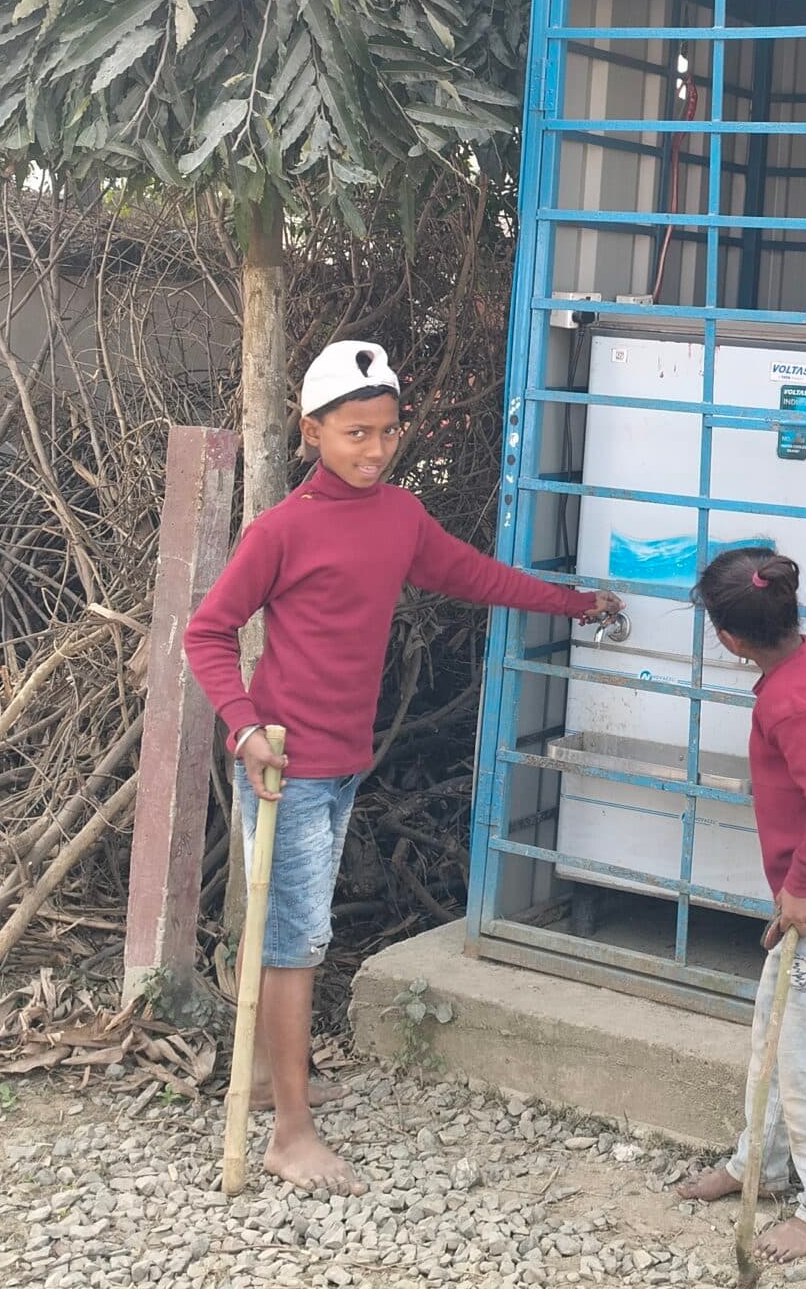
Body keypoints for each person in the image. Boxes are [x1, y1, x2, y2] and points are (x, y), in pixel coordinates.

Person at [184, 339, 621, 1194]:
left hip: (345, 759)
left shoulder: (400, 516)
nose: (376, 449)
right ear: (312, 431)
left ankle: (271, 1080)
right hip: (285, 768)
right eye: (356, 433)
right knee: (296, 944)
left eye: (388, 431)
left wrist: (575, 604)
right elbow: (207, 632)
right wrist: (244, 727)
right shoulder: (280, 530)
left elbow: (476, 576)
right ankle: (290, 1136)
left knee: (292, 935)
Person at [673, 547, 806, 1266]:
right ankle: (758, 1166)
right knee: (774, 1030)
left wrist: (799, 887)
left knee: (803, 1059)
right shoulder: (805, 664)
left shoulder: (789, 700)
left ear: (729, 639)